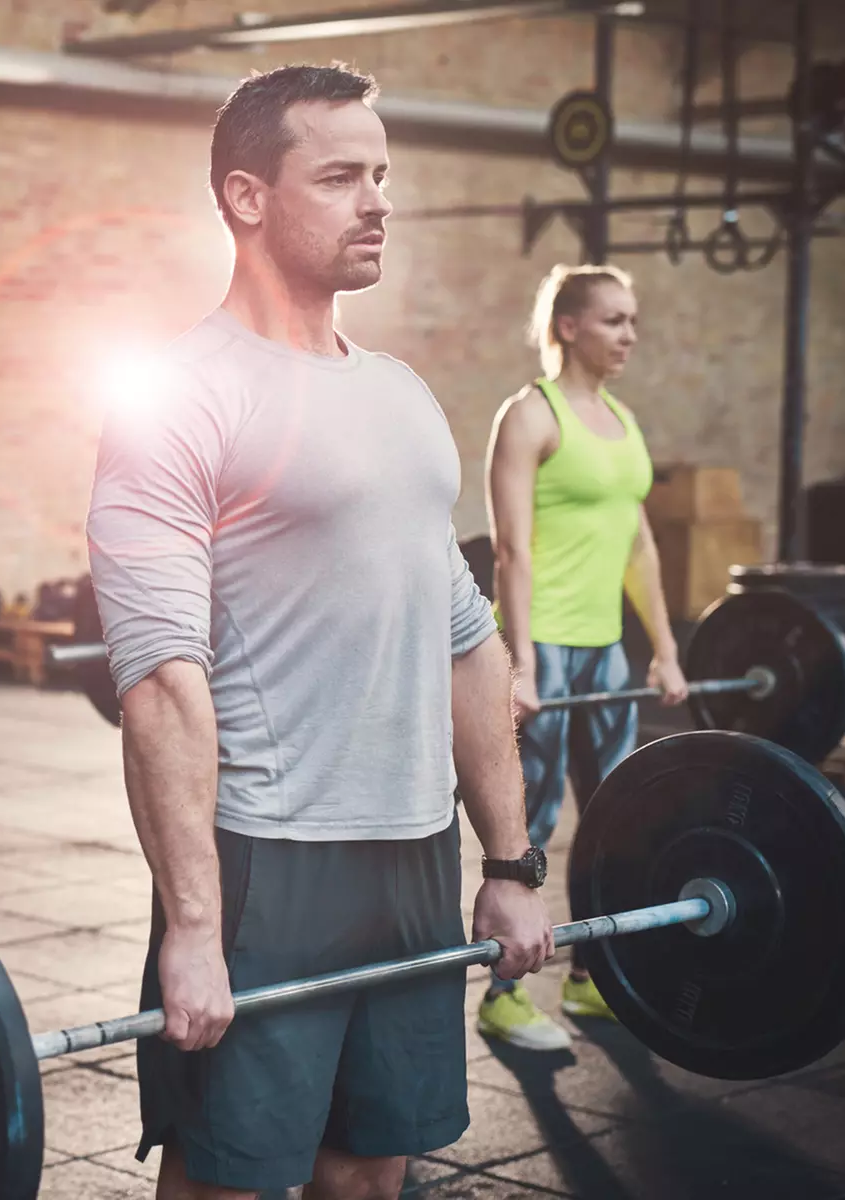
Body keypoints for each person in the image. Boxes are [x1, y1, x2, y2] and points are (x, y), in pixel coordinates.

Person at [86, 66, 553, 1200]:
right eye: (341, 176)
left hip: (408, 851)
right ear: (247, 198)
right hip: (265, 861)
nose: (377, 200)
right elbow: (159, 684)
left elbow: (465, 643)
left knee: (372, 1166)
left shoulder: (399, 393)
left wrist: (509, 860)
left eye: (382, 174)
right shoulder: (178, 394)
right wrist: (193, 926)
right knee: (232, 1177)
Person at [476, 264, 688, 1049]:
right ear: (566, 327)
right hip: (545, 645)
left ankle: (591, 977)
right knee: (529, 822)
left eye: (632, 320)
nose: (628, 334)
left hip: (604, 651)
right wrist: (521, 665)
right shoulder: (530, 416)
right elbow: (509, 549)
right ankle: (501, 995)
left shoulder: (623, 422)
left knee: (615, 816)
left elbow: (640, 546)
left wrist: (664, 650)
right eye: (612, 320)